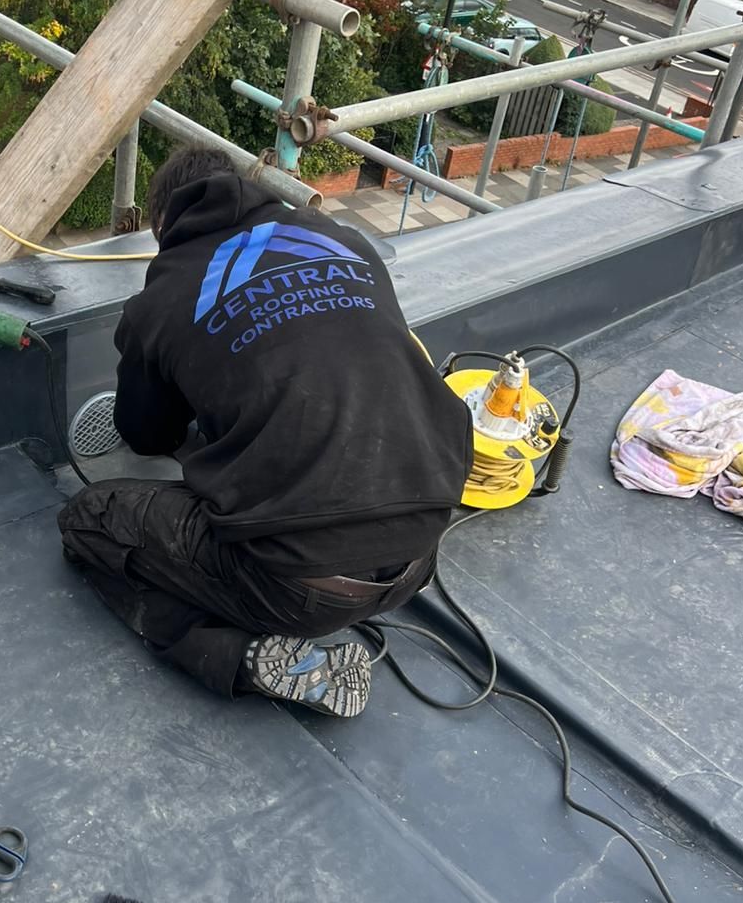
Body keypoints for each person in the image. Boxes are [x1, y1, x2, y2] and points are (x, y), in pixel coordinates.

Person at [58, 149, 473, 718]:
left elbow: (146, 434)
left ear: (163, 222)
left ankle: (240, 655)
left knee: (88, 521)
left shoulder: (164, 296)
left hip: (294, 588)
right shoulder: (345, 241)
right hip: (420, 554)